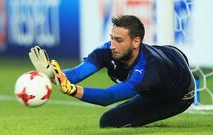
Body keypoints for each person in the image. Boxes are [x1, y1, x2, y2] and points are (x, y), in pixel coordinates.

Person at [28, 15, 195, 128]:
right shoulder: (107, 50)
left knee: (109, 121)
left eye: (119, 40)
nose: (112, 45)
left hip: (176, 96)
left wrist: (72, 90)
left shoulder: (148, 70)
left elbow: (108, 97)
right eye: (112, 38)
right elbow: (78, 74)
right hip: (171, 55)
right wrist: (53, 75)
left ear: (136, 42)